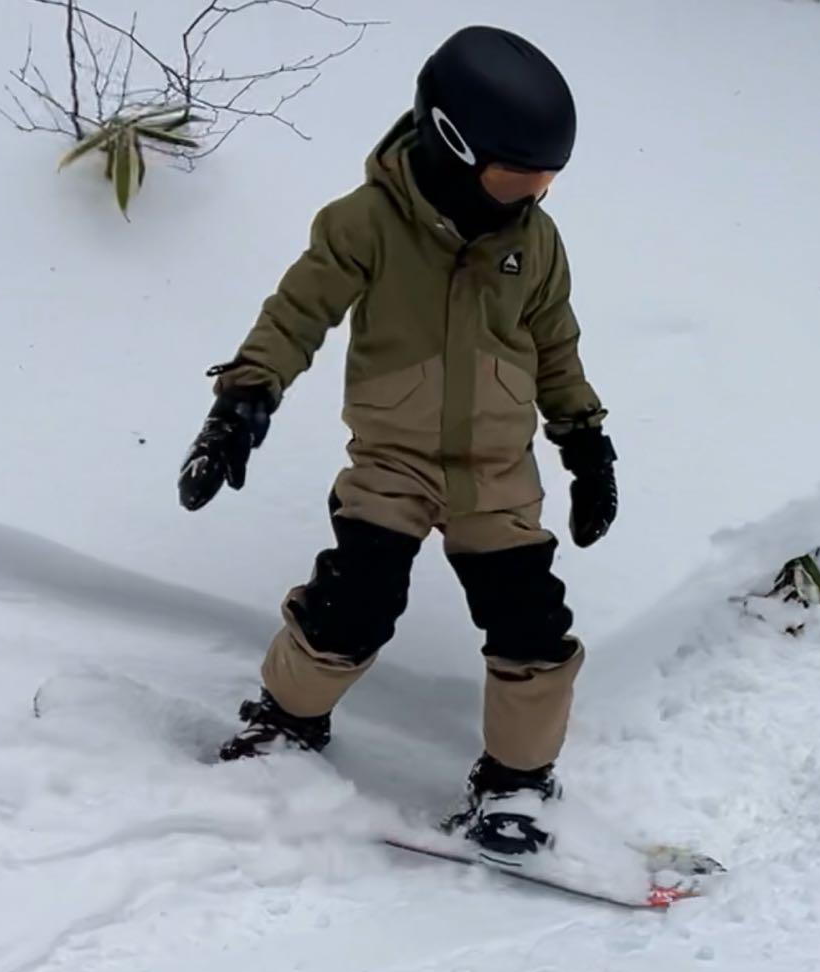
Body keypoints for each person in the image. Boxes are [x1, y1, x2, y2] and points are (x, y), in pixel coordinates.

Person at [178, 25, 618, 861]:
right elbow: (296, 314)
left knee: (530, 620)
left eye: (547, 180)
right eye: (517, 176)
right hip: (393, 460)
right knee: (355, 600)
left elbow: (556, 346)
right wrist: (241, 401)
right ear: (454, 143)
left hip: (496, 470)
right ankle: (283, 722)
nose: (533, 194)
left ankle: (518, 786)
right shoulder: (368, 222)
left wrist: (586, 443)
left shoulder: (534, 239)